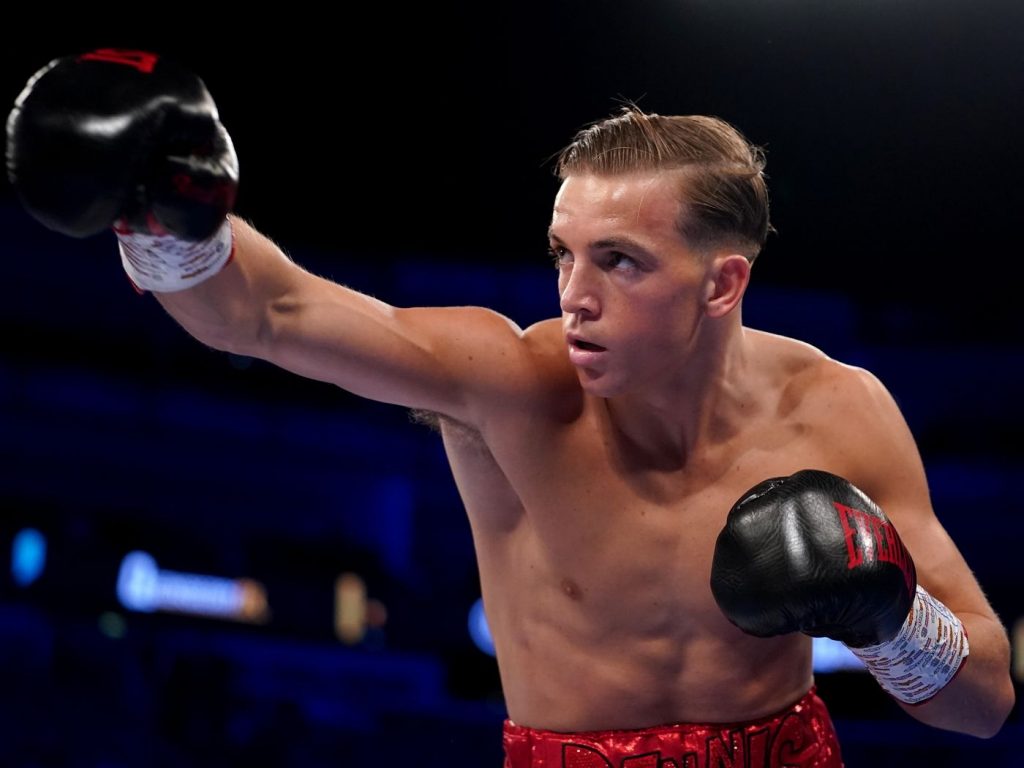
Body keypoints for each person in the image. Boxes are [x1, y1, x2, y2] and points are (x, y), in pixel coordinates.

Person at [6, 49, 1015, 767]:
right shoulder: (512, 387)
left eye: (618, 261)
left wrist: (890, 622)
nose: (573, 295)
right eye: (562, 253)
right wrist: (164, 217)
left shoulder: (836, 413)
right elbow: (269, 315)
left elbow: (984, 705)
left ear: (721, 284)